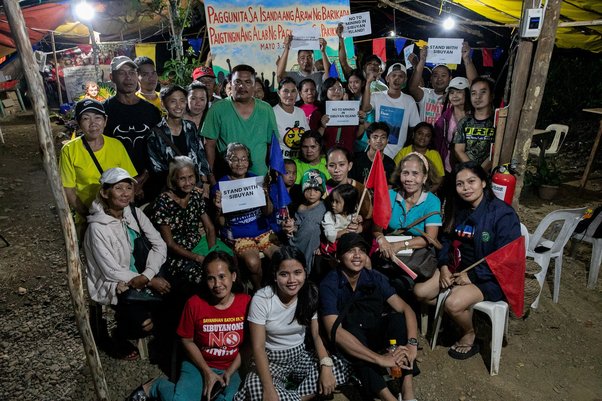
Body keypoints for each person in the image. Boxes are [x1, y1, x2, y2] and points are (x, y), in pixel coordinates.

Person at [129, 251, 251, 401]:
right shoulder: (195, 304)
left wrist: (230, 372)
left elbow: (250, 344)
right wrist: (206, 372)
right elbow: (186, 340)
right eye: (211, 279)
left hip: (230, 367)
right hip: (198, 364)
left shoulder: (246, 303)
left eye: (222, 277)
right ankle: (155, 386)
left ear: (233, 276)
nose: (217, 284)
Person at [235, 246, 349, 401]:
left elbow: (315, 335)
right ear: (275, 275)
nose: (292, 280)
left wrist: (326, 366)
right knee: (256, 386)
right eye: (284, 274)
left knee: (341, 366)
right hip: (272, 360)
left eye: (297, 273)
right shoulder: (262, 299)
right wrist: (269, 389)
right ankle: (298, 396)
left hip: (300, 355)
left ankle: (289, 397)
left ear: (305, 272)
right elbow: (258, 347)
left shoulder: (310, 293)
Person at [319, 233, 419, 401]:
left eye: (362, 250)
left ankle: (407, 389)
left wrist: (412, 344)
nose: (357, 255)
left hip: (373, 330)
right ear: (339, 257)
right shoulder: (329, 284)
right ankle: (388, 397)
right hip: (350, 339)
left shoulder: (373, 277)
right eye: (351, 251)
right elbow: (333, 331)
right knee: (354, 343)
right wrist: (380, 359)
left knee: (397, 320)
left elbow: (405, 309)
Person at [437, 161, 520, 359]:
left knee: (453, 303)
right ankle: (455, 322)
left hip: (491, 277)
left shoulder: (502, 214)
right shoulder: (458, 208)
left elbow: (508, 258)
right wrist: (443, 267)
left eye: (471, 181)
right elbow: (445, 239)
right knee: (422, 292)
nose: (466, 188)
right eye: (460, 184)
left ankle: (469, 333)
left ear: (484, 182)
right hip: (457, 268)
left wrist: (472, 275)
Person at [84, 168, 168, 359]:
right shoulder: (97, 228)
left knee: (176, 302)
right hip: (117, 283)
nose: (125, 193)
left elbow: (159, 244)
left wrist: (148, 274)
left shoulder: (134, 213)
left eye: (128, 187)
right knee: (145, 324)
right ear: (105, 193)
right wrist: (150, 280)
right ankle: (119, 335)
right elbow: (111, 271)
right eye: (118, 188)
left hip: (144, 273)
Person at [152, 156, 231, 290]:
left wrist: (211, 252)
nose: (188, 182)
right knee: (204, 278)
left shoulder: (195, 195)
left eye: (191, 177)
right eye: (182, 178)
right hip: (178, 254)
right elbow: (170, 244)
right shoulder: (163, 202)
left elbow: (209, 228)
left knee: (229, 262)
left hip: (199, 244)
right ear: (173, 179)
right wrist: (198, 258)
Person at [373, 153, 442, 302]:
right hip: (388, 255)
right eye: (405, 173)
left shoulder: (432, 201)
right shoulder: (389, 195)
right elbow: (376, 227)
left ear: (424, 177)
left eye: (415, 174)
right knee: (375, 281)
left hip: (415, 259)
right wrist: (381, 239)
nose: (409, 179)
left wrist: (400, 245)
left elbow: (430, 238)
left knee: (400, 286)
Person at [60, 99, 137, 228]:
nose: (93, 123)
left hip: (119, 216)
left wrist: (126, 211)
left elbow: (130, 181)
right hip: (89, 218)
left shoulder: (116, 145)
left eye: (97, 118)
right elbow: (68, 189)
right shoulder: (69, 150)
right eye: (86, 118)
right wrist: (88, 215)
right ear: (78, 123)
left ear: (105, 121)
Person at [213, 143, 279, 290]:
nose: (240, 163)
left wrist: (266, 196)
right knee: (253, 262)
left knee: (281, 257)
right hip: (239, 235)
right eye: (235, 159)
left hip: (263, 231)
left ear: (249, 161)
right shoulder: (220, 186)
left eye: (244, 159)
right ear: (227, 161)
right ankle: (259, 290)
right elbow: (221, 223)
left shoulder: (256, 180)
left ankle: (276, 289)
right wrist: (218, 209)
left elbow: (268, 212)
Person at [202, 64, 278, 179]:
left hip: (260, 178)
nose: (242, 86)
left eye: (247, 82)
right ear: (230, 85)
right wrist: (210, 174)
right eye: (237, 82)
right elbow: (210, 145)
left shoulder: (266, 109)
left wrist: (274, 172)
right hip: (227, 178)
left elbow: (272, 145)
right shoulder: (217, 109)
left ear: (253, 85)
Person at [104, 56, 162, 202]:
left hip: (149, 181)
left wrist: (143, 179)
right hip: (117, 185)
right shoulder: (104, 111)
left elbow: (158, 147)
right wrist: (125, 184)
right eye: (122, 73)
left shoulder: (151, 111)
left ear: (137, 76)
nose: (128, 78)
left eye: (132, 72)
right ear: (112, 77)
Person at [147, 85, 211, 190]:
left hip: (196, 188)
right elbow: (157, 169)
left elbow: (200, 154)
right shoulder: (155, 134)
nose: (179, 106)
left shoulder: (190, 127)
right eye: (173, 101)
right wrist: (182, 183)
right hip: (171, 190)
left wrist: (204, 183)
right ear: (163, 104)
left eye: (182, 101)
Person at [361, 63, 421, 159]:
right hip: (377, 151)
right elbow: (365, 108)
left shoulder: (409, 101)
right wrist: (368, 83)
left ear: (405, 80)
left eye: (401, 76)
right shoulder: (377, 96)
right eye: (393, 75)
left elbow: (415, 127)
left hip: (399, 155)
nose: (397, 79)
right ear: (387, 78)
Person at [407, 43, 477, 125]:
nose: (439, 79)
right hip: (427, 137)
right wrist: (422, 61)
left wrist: (466, 59)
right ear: (431, 78)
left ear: (450, 78)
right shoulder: (426, 94)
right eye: (435, 75)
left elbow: (475, 85)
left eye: (443, 75)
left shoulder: (457, 96)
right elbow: (412, 87)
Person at [282, 169, 327, 274]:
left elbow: (328, 228)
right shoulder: (301, 207)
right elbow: (298, 225)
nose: (311, 194)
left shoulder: (325, 207)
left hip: (313, 247)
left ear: (322, 191)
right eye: (308, 190)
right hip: (298, 242)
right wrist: (292, 227)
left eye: (316, 190)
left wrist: (322, 246)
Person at [453, 77, 496, 172]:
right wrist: (473, 171)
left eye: (483, 92)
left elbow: (496, 153)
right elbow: (458, 150)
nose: (477, 97)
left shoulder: (497, 122)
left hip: (490, 175)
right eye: (473, 93)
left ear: (492, 95)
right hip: (467, 174)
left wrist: (481, 172)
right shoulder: (464, 122)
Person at [434, 77, 471, 175]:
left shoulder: (475, 116)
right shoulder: (445, 118)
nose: (454, 96)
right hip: (448, 166)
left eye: (459, 92)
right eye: (451, 92)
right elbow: (438, 142)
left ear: (467, 93)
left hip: (471, 165)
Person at [317, 77, 365, 153]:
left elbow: (357, 135)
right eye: (332, 88)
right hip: (325, 155)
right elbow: (314, 139)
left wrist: (362, 122)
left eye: (340, 88)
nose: (337, 91)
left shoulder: (352, 110)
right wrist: (322, 127)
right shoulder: (318, 113)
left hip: (347, 155)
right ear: (325, 91)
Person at [393, 122, 445, 192]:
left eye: (427, 135)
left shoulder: (434, 154)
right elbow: (394, 175)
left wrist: (425, 195)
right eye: (420, 133)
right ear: (414, 134)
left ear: (430, 139)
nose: (423, 137)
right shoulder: (403, 152)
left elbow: (439, 180)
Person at [336, 24, 388, 93]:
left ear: (381, 70)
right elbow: (343, 62)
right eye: (369, 63)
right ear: (364, 67)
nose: (372, 65)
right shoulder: (356, 78)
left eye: (376, 64)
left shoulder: (383, 88)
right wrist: (341, 38)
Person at [325, 146, 371, 220]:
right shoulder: (322, 188)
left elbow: (368, 217)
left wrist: (360, 227)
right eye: (331, 165)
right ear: (326, 167)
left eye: (341, 165)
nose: (336, 170)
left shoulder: (360, 188)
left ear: (349, 166)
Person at [320, 183, 362, 258]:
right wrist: (347, 231)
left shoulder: (353, 215)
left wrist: (359, 221)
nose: (333, 204)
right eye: (332, 200)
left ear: (348, 203)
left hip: (350, 247)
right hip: (334, 250)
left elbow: (358, 228)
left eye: (337, 202)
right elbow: (330, 236)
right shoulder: (329, 216)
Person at [273, 77, 310, 159]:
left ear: (297, 93)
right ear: (279, 92)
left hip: (300, 162)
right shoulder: (272, 113)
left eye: (293, 91)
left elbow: (307, 137)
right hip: (281, 163)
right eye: (285, 91)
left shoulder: (300, 112)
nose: (289, 95)